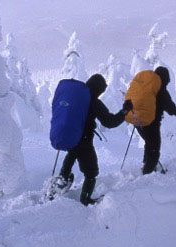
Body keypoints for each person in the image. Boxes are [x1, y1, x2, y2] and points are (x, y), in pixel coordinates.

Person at [54, 74, 133, 205]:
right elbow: (110, 122)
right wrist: (125, 111)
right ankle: (85, 199)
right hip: (83, 140)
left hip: (71, 136)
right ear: (98, 89)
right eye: (102, 90)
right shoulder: (93, 102)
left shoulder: (76, 97)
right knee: (91, 172)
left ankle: (61, 180)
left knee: (72, 153)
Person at [137, 66, 176, 174]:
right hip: (151, 123)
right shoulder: (161, 91)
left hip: (137, 121)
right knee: (154, 147)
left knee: (149, 142)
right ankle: (148, 172)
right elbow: (171, 110)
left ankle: (147, 165)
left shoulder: (145, 86)